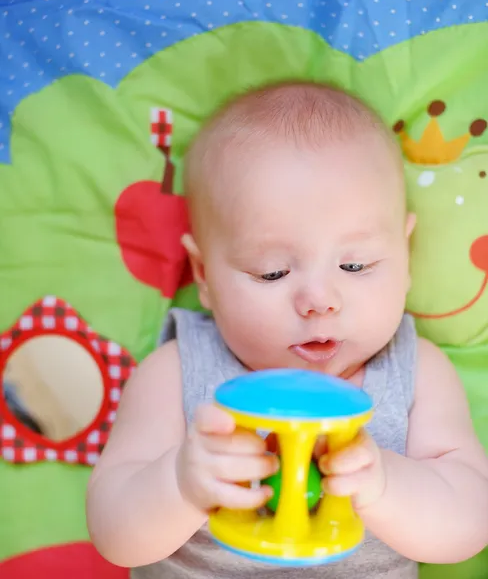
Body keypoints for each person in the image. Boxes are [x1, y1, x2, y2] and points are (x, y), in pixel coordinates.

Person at [86, 82, 488, 578]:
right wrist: (180, 483)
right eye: (273, 273)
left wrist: (385, 485)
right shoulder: (177, 372)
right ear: (205, 275)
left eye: (356, 264)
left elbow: (469, 526)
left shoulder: (417, 372)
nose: (319, 300)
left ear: (405, 258)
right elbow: (114, 536)